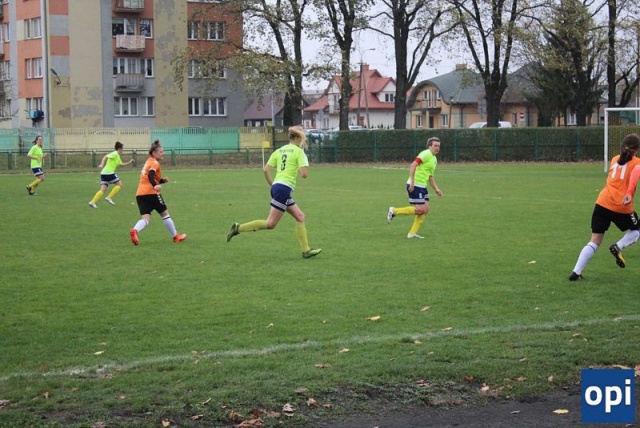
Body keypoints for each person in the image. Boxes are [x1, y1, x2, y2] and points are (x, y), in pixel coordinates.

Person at [226, 125, 321, 259]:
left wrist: (272, 184)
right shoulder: (299, 152)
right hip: (283, 189)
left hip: (278, 187)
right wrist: (302, 168)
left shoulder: (279, 150)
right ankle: (238, 228)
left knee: (300, 216)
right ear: (300, 137)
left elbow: (266, 169)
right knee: (270, 224)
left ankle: (306, 250)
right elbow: (304, 174)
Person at [569, 133, 640, 281]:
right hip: (621, 206)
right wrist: (628, 192)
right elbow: (634, 176)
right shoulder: (636, 163)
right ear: (636, 150)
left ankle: (576, 272)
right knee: (637, 230)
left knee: (595, 240)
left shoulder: (614, 159)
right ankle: (618, 246)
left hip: (602, 203)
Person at [129, 140, 186, 245]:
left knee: (145, 218)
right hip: (152, 193)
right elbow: (150, 175)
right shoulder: (155, 163)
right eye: (160, 152)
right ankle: (176, 237)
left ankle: (135, 230)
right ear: (154, 153)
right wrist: (155, 185)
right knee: (165, 214)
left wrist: (161, 181)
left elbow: (149, 177)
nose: (162, 153)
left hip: (140, 194)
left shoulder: (148, 161)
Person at [387, 136, 442, 238]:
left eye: (438, 146)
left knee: (425, 209)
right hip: (415, 185)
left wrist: (436, 189)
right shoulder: (426, 154)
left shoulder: (434, 159)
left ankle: (412, 233)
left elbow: (430, 176)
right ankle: (394, 211)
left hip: (422, 186)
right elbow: (413, 165)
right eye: (435, 146)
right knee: (420, 209)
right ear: (429, 146)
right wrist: (412, 181)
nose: (437, 148)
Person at [88, 141, 134, 208]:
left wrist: (129, 162)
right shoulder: (114, 153)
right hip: (109, 173)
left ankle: (92, 202)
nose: (123, 151)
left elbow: (121, 164)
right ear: (120, 149)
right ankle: (109, 197)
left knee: (103, 189)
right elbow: (105, 156)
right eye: (122, 149)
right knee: (120, 185)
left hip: (103, 173)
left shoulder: (117, 156)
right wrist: (102, 164)